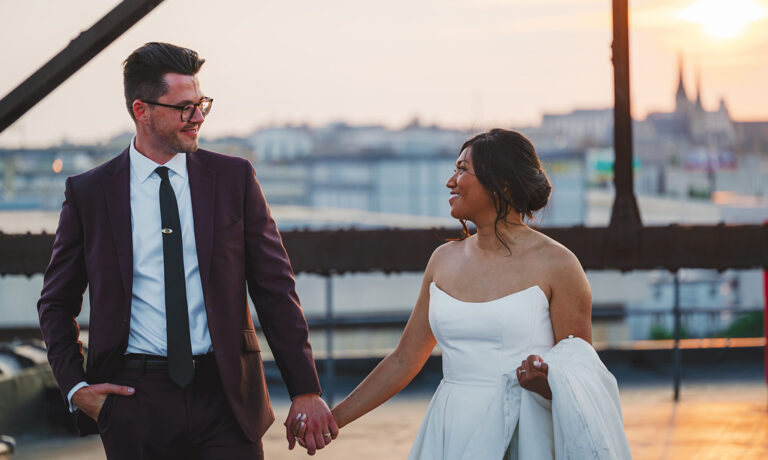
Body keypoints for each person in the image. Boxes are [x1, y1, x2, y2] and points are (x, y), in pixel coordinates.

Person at [37, 42, 338, 460]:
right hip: (133, 401)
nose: (198, 118)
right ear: (141, 110)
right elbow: (56, 302)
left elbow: (275, 290)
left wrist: (306, 389)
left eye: (201, 104)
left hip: (227, 398)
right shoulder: (89, 193)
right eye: (184, 108)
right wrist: (76, 387)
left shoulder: (235, 180)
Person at [292, 129, 631, 458]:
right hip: (450, 428)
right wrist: (333, 421)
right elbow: (404, 359)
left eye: (462, 170)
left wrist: (544, 382)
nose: (449, 181)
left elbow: (582, 378)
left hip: (525, 433)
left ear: (504, 184)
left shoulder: (559, 264)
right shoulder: (442, 260)